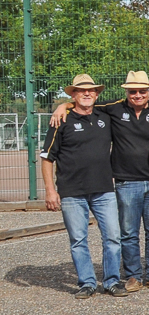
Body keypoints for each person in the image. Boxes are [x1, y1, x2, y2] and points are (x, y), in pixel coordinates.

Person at [50, 70, 149, 293]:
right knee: (128, 233)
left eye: (143, 90)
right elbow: (82, 104)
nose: (138, 94)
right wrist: (61, 106)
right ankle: (132, 276)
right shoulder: (113, 108)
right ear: (126, 91)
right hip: (125, 181)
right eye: (133, 91)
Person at [41, 74, 129, 299]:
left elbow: (130, 101)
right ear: (73, 94)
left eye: (91, 90)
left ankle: (111, 281)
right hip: (72, 192)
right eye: (81, 91)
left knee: (112, 237)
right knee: (78, 240)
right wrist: (51, 191)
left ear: (97, 94)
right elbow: (46, 158)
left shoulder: (104, 115)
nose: (87, 93)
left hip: (103, 189)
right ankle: (87, 282)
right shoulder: (60, 120)